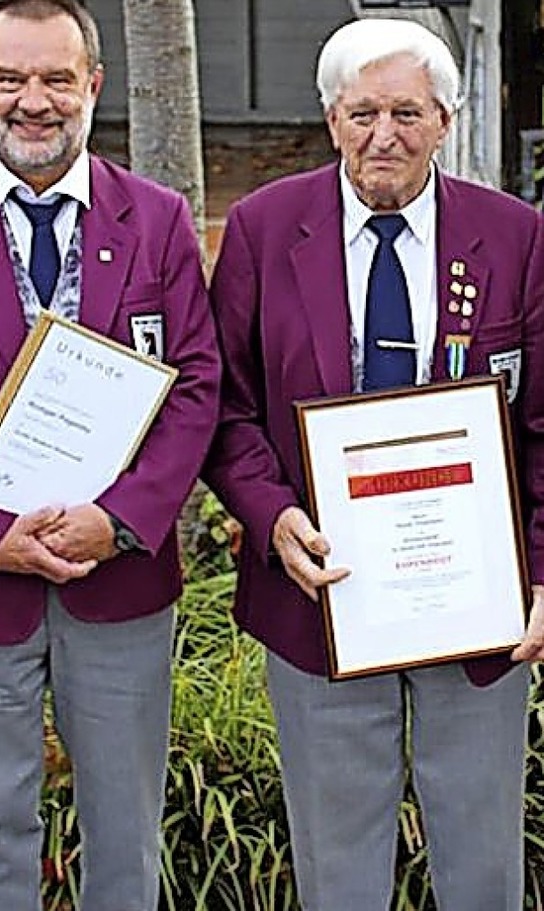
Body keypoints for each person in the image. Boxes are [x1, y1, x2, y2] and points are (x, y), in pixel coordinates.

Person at [204, 16, 544, 910]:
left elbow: (543, 425)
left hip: (475, 616)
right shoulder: (262, 231)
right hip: (320, 598)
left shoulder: (516, 238)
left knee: (482, 870)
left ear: (445, 119)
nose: (382, 136)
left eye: (406, 112)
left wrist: (542, 572)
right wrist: (271, 513)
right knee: (339, 872)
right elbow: (225, 407)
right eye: (361, 114)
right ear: (330, 119)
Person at [0, 1, 220, 909]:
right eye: (9, 79)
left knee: (126, 835)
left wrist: (119, 522)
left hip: (117, 580)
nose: (32, 102)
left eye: (53, 78)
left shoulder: (157, 220)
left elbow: (195, 386)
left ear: (94, 85)